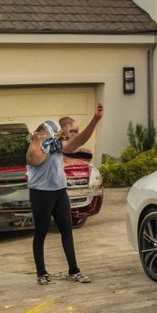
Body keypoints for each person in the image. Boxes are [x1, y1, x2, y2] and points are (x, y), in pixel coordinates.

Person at [27, 102, 104, 285]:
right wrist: (38, 141)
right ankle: (41, 272)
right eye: (46, 133)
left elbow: (76, 142)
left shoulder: (56, 145)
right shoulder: (35, 148)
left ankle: (74, 270)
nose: (50, 136)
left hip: (59, 192)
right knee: (41, 232)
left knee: (67, 231)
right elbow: (36, 159)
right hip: (40, 194)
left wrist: (95, 119)